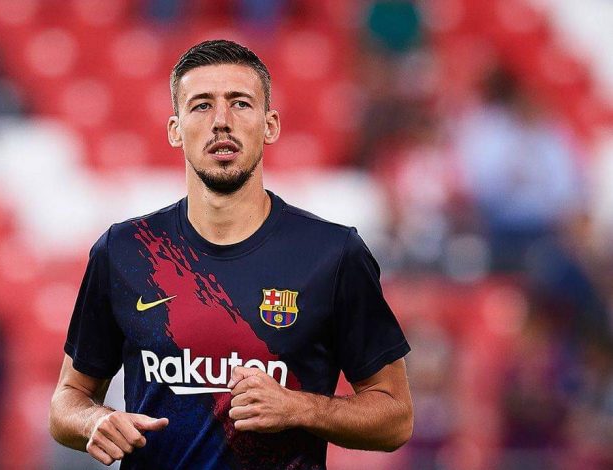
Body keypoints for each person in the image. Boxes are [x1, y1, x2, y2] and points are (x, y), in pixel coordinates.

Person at [49, 39, 413, 469]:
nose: (221, 121)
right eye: (201, 105)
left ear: (270, 125)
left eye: (240, 103)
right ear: (175, 130)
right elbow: (67, 401)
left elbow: (396, 417)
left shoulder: (333, 254)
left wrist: (299, 408)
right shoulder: (125, 250)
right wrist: (94, 420)